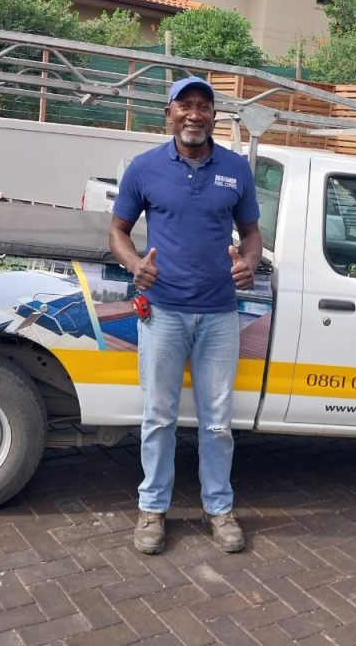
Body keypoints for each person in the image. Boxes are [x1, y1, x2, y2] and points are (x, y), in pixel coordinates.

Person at [108, 76, 262, 555]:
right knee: (158, 417)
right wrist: (135, 266)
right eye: (185, 106)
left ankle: (219, 509)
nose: (195, 114)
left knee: (218, 422)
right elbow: (117, 230)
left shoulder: (235, 170)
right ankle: (153, 510)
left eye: (204, 107)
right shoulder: (145, 168)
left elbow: (251, 233)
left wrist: (250, 263)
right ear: (169, 113)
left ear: (215, 115)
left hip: (219, 314)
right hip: (163, 313)